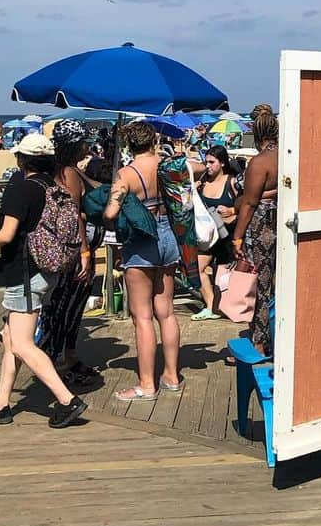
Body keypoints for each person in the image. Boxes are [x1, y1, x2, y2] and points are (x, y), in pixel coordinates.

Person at [0, 133, 88, 429]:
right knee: (10, 339)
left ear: (21, 159)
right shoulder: (53, 187)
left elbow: (7, 235)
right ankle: (1, 403)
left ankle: (67, 400)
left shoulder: (20, 188)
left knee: (21, 343)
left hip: (25, 271)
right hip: (47, 270)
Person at [103, 121, 182, 402]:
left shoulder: (126, 174)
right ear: (153, 141)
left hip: (141, 242)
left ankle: (147, 384)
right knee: (167, 311)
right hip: (168, 236)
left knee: (142, 317)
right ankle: (172, 375)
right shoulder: (167, 165)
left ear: (129, 145)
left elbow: (111, 212)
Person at [37, 120, 100, 388]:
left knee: (63, 307)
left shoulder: (61, 170)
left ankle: (63, 358)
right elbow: (74, 215)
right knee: (67, 308)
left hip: (66, 251)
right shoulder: (68, 173)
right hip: (74, 253)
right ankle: (61, 361)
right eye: (84, 142)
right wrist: (84, 250)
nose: (88, 146)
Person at [230, 104, 279, 359]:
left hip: (261, 229)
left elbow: (248, 203)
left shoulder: (259, 163)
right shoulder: (287, 155)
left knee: (259, 286)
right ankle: (275, 336)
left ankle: (259, 343)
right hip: (282, 226)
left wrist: (237, 237)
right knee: (279, 285)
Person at [193, 145, 239, 321]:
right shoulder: (203, 183)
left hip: (228, 235)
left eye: (212, 162)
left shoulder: (232, 182)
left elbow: (246, 204)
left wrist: (232, 210)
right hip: (208, 236)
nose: (208, 166)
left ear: (222, 163)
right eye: (206, 162)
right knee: (197, 268)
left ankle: (228, 305)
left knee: (226, 274)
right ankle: (211, 305)